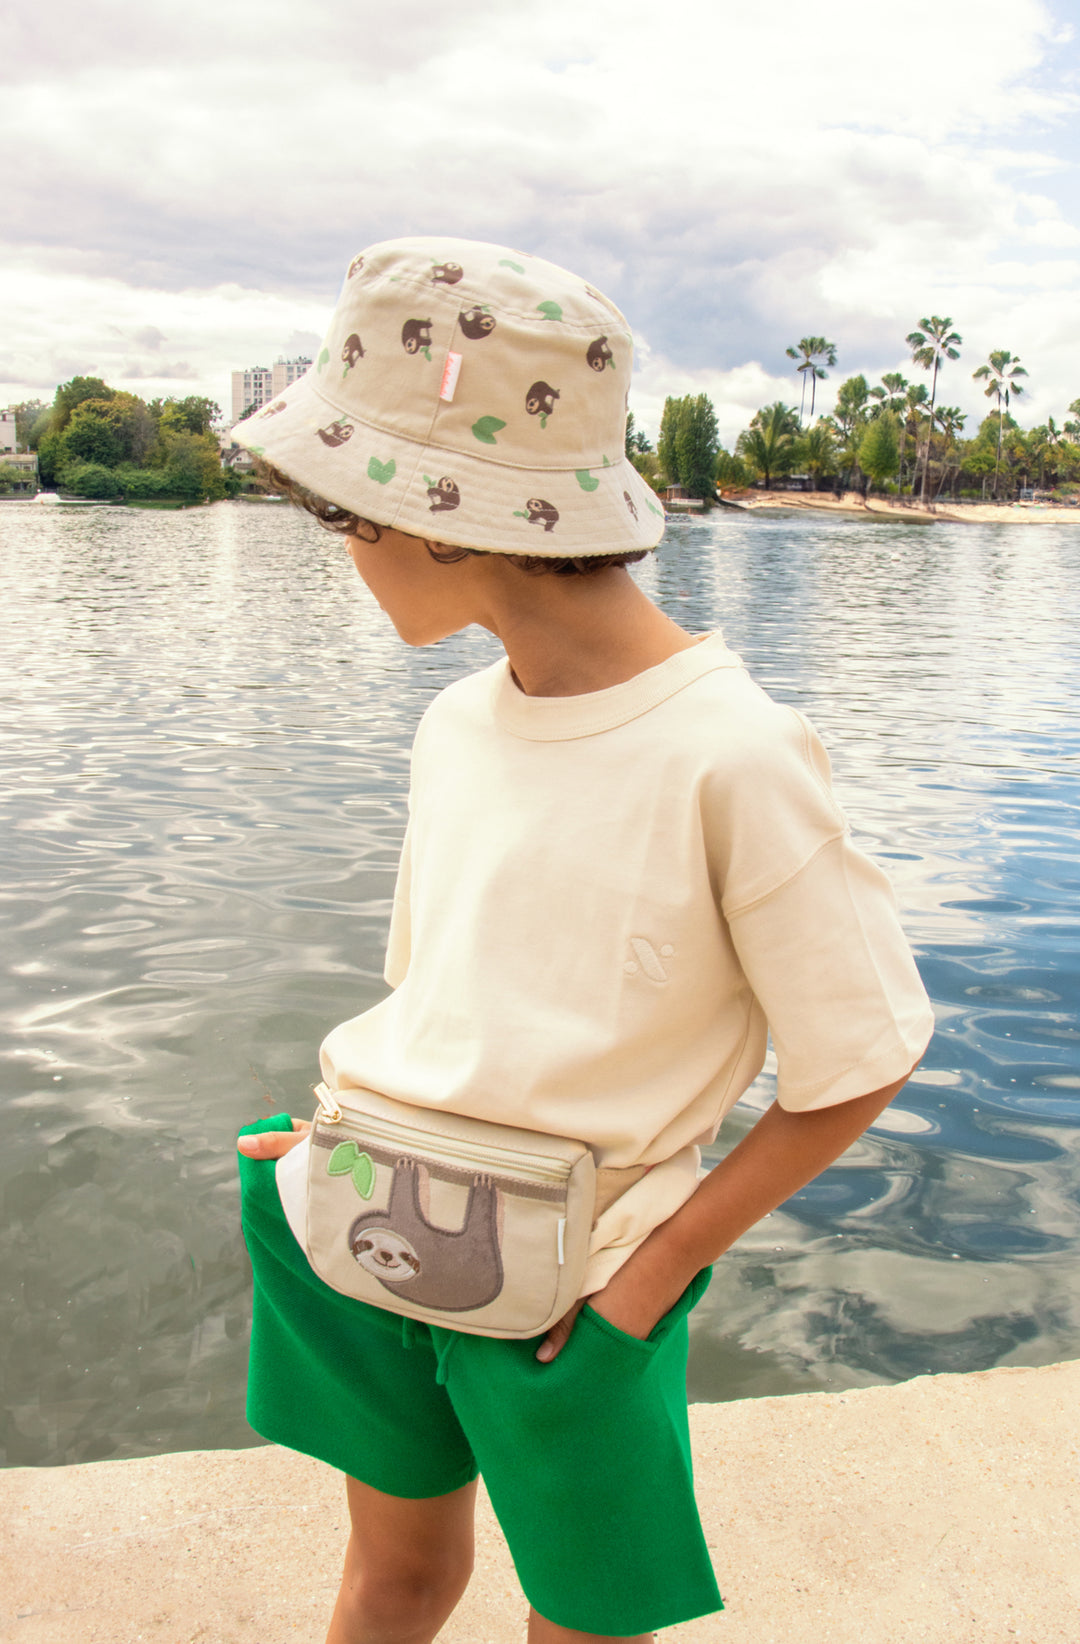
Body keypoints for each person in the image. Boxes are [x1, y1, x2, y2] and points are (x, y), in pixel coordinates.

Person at [233, 236, 934, 1644]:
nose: (349, 557)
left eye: (349, 521)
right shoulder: (457, 727)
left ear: (447, 519)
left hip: (582, 1283)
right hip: (357, 1212)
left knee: (586, 1620)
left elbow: (859, 1055)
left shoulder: (732, 753)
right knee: (391, 1580)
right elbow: (443, 991)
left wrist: (660, 1270)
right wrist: (338, 1133)